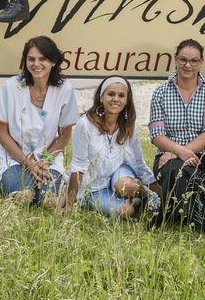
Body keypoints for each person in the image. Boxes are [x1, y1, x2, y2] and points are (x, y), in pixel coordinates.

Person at [0, 36, 79, 205]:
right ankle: (14, 181)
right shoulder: (11, 87)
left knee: (50, 201)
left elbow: (65, 134)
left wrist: (45, 161)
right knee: (24, 197)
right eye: (31, 59)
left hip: (47, 160)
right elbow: (2, 134)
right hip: (15, 158)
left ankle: (43, 184)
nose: (36, 64)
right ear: (25, 61)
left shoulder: (64, 89)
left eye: (42, 59)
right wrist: (29, 164)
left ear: (53, 61)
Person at [148, 39, 205, 228]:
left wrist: (180, 152)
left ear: (201, 62)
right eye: (183, 60)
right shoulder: (161, 92)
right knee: (175, 169)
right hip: (166, 155)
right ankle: (190, 218)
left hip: (202, 155)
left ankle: (166, 216)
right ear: (175, 60)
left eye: (194, 61)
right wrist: (176, 152)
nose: (188, 65)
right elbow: (157, 134)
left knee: (180, 170)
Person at [64, 77, 161, 218]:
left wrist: (160, 192)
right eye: (111, 94)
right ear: (101, 97)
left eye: (121, 95)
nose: (116, 99)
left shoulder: (128, 125)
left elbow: (139, 163)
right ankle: (136, 203)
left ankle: (149, 198)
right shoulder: (85, 125)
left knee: (124, 185)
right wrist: (69, 202)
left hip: (119, 173)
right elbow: (78, 165)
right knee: (125, 212)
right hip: (94, 186)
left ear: (127, 101)